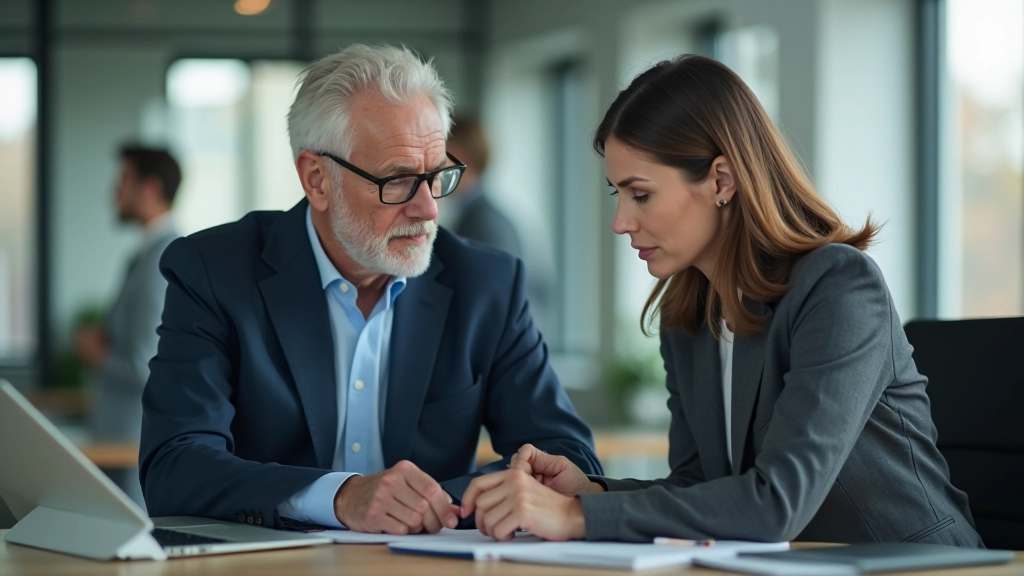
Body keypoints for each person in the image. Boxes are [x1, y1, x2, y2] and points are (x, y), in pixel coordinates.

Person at [459, 55, 982, 547]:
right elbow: (698, 487)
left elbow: (777, 502)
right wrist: (588, 494)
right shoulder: (687, 314)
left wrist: (576, 518)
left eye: (641, 194)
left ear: (721, 180)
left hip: (917, 566)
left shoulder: (838, 287)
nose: (621, 222)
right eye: (618, 194)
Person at [139, 44, 601, 534]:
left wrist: (430, 504)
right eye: (398, 180)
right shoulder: (214, 272)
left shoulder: (486, 284)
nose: (429, 209)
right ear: (317, 179)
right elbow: (174, 465)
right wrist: (339, 497)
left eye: (437, 175)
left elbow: (566, 458)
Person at [75, 145, 181, 508]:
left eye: (123, 181)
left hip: (131, 442)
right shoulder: (146, 254)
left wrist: (96, 355)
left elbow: (146, 364)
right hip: (119, 438)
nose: (114, 192)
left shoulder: (161, 259)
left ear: (149, 189)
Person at [442, 116, 522, 258]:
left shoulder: (485, 224)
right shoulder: (479, 217)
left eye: (443, 155)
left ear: (462, 157)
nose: (437, 167)